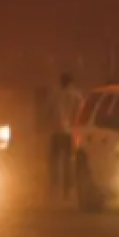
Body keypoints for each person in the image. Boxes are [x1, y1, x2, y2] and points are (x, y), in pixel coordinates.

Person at [45, 72, 84, 200]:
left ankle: (54, 188)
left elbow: (48, 112)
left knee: (54, 162)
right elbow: (81, 114)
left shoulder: (54, 95)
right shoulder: (77, 96)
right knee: (68, 161)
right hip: (70, 133)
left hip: (55, 132)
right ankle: (67, 190)